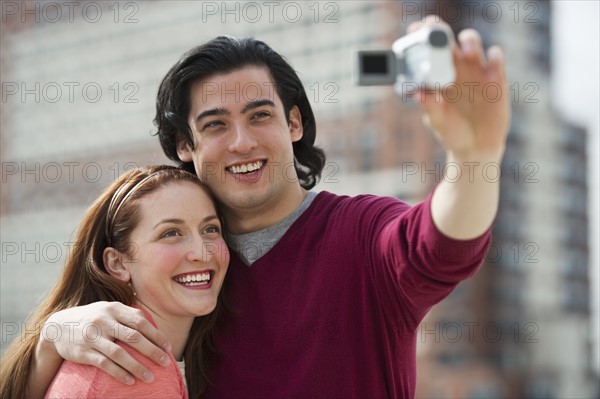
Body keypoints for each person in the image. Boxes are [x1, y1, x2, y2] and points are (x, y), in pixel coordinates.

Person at [25, 17, 509, 398]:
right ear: (184, 145)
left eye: (260, 115)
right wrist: (52, 335)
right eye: (215, 125)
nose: (242, 142)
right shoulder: (186, 273)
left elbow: (441, 245)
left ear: (294, 123)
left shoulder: (360, 232)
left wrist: (475, 158)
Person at [0, 165, 229, 399]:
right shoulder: (135, 366)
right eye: (171, 233)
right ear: (118, 264)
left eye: (210, 229)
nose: (202, 252)